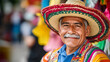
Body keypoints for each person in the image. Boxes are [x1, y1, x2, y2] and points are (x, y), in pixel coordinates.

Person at [41, 0, 110, 62]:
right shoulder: (48, 57)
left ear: (87, 30)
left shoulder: (98, 58)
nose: (71, 31)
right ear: (59, 30)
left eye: (77, 26)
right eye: (66, 25)